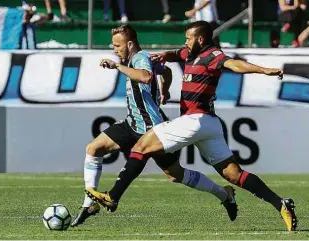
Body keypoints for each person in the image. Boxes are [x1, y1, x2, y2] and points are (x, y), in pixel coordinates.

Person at [86, 21, 298, 232]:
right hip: (209, 125)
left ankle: (113, 196)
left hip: (196, 119)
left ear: (201, 39)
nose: (185, 42)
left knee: (141, 146)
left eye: (188, 38)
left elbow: (234, 64)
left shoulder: (212, 55)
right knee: (234, 175)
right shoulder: (189, 53)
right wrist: (165, 56)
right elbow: (175, 54)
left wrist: (263, 70)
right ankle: (280, 204)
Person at [71, 24, 237, 227]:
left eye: (118, 45)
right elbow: (165, 71)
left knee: (176, 174)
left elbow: (146, 76)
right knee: (93, 149)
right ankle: (89, 205)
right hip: (133, 123)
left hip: (152, 127)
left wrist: (118, 67)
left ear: (130, 44)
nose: (114, 49)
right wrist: (164, 90)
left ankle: (224, 194)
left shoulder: (140, 57)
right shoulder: (135, 59)